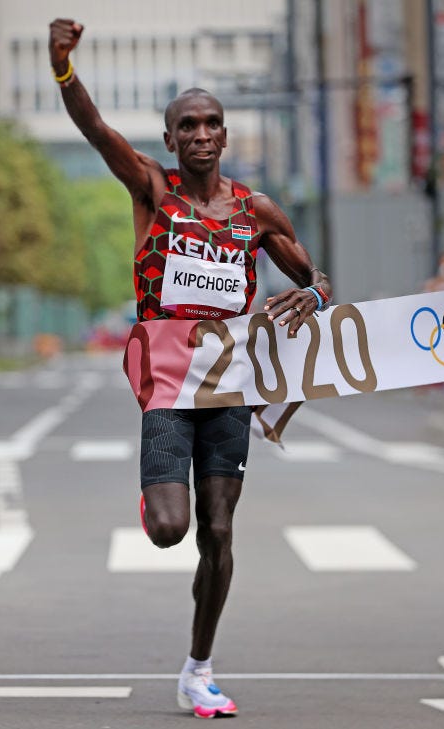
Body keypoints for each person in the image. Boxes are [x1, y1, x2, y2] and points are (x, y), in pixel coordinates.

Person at [49, 18, 331, 719]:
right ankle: (154, 500)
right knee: (173, 528)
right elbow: (94, 128)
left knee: (221, 531)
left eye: (213, 123)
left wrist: (316, 293)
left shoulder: (253, 210)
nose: (202, 133)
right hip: (170, 383)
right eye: (189, 125)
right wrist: (62, 67)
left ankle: (198, 668)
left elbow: (315, 273)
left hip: (231, 381)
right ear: (172, 139)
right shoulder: (151, 187)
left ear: (224, 137)